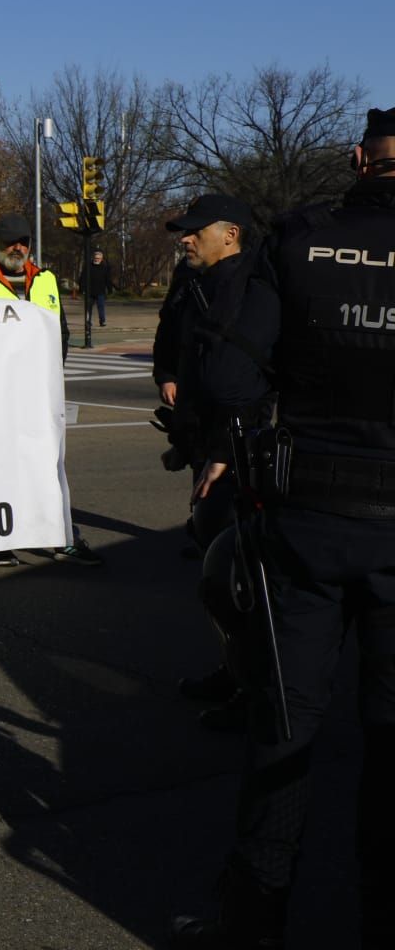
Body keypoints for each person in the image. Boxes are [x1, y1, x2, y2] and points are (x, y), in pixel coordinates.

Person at [172, 111, 395, 947]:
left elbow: (229, 371)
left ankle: (255, 919)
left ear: (357, 160)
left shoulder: (304, 239)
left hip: (306, 525)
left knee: (284, 729)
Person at [157, 195, 277, 730]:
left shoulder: (255, 289)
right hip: (208, 445)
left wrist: (229, 453)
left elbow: (252, 382)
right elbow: (174, 338)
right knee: (220, 570)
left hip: (242, 454)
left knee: (242, 581)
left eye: (194, 231)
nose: (184, 238)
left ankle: (260, 696)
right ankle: (236, 673)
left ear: (230, 233)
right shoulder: (194, 282)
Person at [0, 215, 95, 568]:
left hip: (40, 394)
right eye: (11, 241)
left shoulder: (44, 280)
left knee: (48, 465)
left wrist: (51, 375)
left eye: (24, 241)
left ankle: (61, 538)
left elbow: (59, 331)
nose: (18, 247)